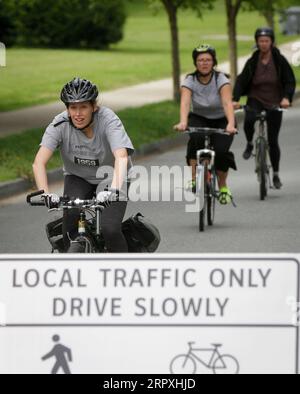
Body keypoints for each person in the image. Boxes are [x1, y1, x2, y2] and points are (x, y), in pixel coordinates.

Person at [32, 77, 134, 252]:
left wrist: (114, 190)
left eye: (83, 107)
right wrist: (45, 194)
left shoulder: (109, 120)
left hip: (112, 176)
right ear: (67, 108)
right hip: (78, 176)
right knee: (69, 227)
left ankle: (123, 271)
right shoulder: (59, 124)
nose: (78, 113)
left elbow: (122, 157)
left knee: (109, 229)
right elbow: (39, 162)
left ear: (94, 107)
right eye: (73, 107)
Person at [233, 27, 296, 189]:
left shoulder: (280, 60)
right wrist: (235, 99)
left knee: (273, 141)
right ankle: (249, 143)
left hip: (275, 101)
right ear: (257, 42)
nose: (263, 44)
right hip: (256, 99)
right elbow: (241, 80)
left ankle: (275, 174)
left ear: (272, 42)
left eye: (266, 41)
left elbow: (289, 81)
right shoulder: (253, 60)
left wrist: (286, 98)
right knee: (249, 120)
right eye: (260, 41)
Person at [174, 44, 237, 205]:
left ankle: (223, 188)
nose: (204, 63)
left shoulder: (220, 79)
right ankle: (195, 179)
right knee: (195, 140)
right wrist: (183, 122)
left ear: (213, 62)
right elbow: (185, 103)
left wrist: (230, 123)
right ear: (196, 63)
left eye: (208, 60)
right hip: (199, 117)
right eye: (200, 60)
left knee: (222, 151)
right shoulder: (190, 80)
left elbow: (227, 103)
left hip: (222, 118)